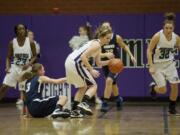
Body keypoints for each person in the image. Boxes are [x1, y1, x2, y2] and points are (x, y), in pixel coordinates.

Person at [65, 26, 113, 117]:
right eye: (107, 38)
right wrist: (91, 70)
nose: (109, 40)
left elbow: (99, 63)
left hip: (70, 61)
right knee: (93, 85)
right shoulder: (97, 44)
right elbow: (83, 56)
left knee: (83, 87)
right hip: (75, 62)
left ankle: (74, 111)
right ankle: (84, 103)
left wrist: (110, 62)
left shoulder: (97, 45)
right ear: (101, 37)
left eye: (110, 38)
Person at [97, 22, 136, 112]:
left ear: (110, 27)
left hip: (115, 64)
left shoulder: (116, 37)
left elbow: (124, 46)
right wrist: (105, 54)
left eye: (107, 26)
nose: (106, 27)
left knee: (109, 81)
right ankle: (118, 98)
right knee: (112, 83)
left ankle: (105, 103)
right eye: (104, 26)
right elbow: (97, 53)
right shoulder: (100, 39)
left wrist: (131, 56)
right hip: (106, 64)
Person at [147, 12, 180, 115]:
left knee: (175, 85)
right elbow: (149, 50)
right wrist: (151, 65)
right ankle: (153, 87)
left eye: (170, 28)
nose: (168, 30)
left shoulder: (176, 38)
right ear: (163, 27)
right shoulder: (157, 36)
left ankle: (172, 107)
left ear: (173, 28)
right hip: (158, 65)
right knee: (163, 90)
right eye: (167, 28)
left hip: (170, 64)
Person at [0, 24, 37, 103]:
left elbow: (35, 56)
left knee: (25, 91)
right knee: (4, 87)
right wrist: (7, 67)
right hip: (15, 67)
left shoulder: (31, 42)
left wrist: (29, 64)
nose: (21, 30)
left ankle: (28, 111)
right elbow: (8, 57)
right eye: (19, 29)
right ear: (16, 31)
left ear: (25, 30)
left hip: (26, 69)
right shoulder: (12, 43)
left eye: (23, 29)